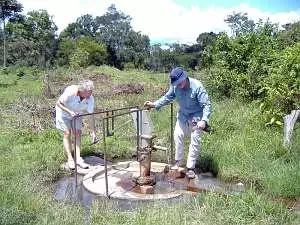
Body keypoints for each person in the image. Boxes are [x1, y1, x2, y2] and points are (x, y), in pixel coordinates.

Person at [144, 67, 212, 179]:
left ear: (185, 78)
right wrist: (154, 104)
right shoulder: (175, 86)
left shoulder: (197, 86)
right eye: (176, 83)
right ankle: (178, 162)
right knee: (178, 135)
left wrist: (204, 121)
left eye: (180, 82)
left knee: (195, 139)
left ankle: (190, 167)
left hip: (196, 117)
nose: (179, 85)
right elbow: (167, 98)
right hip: (183, 116)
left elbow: (207, 105)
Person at [55, 80, 97, 169]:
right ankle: (70, 159)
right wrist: (70, 111)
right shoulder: (70, 92)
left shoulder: (90, 98)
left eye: (91, 92)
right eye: (89, 92)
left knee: (78, 132)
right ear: (82, 91)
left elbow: (90, 115)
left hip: (77, 113)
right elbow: (58, 103)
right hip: (64, 112)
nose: (91, 94)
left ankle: (78, 158)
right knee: (67, 133)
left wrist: (93, 132)